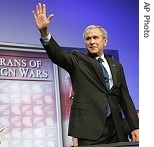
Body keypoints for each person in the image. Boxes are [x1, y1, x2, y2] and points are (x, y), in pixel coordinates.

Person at [32, 3, 139, 146]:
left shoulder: (116, 66)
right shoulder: (78, 59)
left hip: (116, 129)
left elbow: (125, 97)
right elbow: (57, 55)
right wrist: (45, 33)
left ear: (105, 41)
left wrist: (134, 126)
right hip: (89, 130)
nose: (92, 41)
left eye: (95, 37)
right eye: (88, 39)